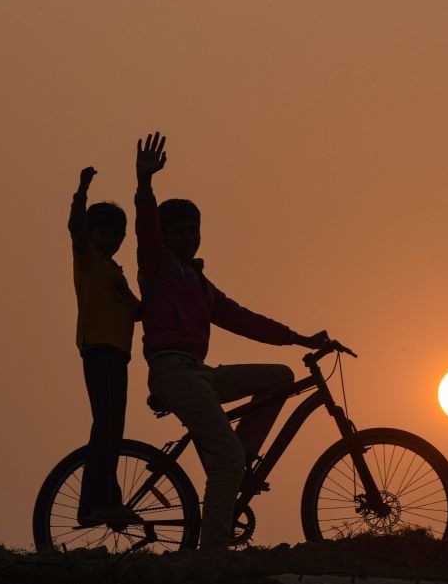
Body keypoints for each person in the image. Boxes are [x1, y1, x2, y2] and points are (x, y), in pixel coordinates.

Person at [133, 132, 330, 550]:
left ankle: (237, 464)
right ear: (165, 237)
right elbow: (146, 232)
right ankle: (210, 557)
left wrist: (297, 338)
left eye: (194, 230)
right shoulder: (157, 267)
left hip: (200, 374)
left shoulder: (199, 283)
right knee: (226, 458)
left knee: (280, 378)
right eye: (179, 232)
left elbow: (241, 318)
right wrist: (145, 184)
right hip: (173, 372)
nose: (188, 237)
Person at [68, 166, 142, 524]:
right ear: (92, 233)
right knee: (107, 424)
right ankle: (101, 501)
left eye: (117, 235)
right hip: (99, 347)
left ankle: (95, 503)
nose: (111, 240)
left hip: (118, 353)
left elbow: (138, 311)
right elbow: (76, 230)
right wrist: (82, 191)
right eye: (104, 233)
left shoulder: (116, 272)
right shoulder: (89, 260)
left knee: (112, 426)